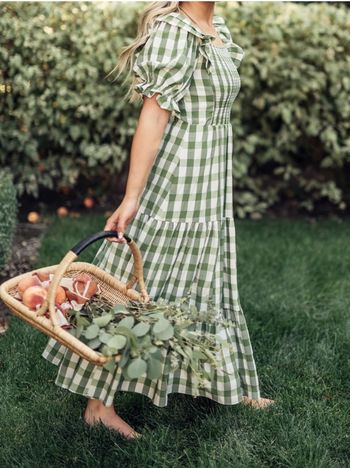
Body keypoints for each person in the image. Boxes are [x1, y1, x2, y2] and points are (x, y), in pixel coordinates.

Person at [41, 1, 275, 440]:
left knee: (208, 278)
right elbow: (154, 114)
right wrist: (132, 197)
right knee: (142, 285)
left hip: (208, 181)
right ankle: (98, 405)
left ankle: (223, 381)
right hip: (178, 180)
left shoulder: (214, 27)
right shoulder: (175, 31)